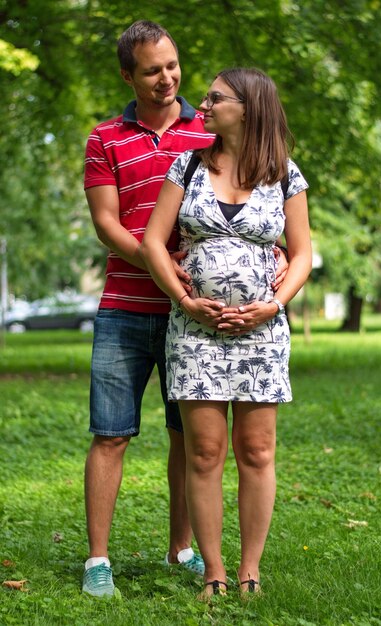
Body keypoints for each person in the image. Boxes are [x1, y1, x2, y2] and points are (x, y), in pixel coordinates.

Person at [141, 67, 312, 599]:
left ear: (249, 106)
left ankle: (249, 573)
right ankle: (214, 571)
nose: (204, 105)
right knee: (203, 453)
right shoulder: (187, 165)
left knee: (257, 451)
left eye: (216, 98)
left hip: (262, 335)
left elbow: (303, 253)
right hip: (195, 333)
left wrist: (272, 306)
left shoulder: (284, 173)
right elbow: (151, 242)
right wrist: (187, 299)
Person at [81, 20, 217, 597]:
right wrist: (163, 265)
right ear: (127, 76)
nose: (167, 79)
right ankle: (96, 561)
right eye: (151, 71)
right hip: (124, 308)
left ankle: (182, 547)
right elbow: (107, 226)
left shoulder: (209, 132)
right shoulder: (105, 138)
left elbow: (244, 198)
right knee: (111, 434)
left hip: (191, 311)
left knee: (187, 436)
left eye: (172, 65)